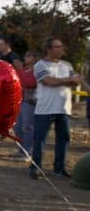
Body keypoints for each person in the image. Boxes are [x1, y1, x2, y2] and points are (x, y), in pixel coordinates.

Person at [30, 37, 83, 179]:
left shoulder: (67, 65)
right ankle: (35, 167)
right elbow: (49, 81)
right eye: (57, 47)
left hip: (64, 109)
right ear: (48, 49)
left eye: (61, 46)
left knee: (63, 139)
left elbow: (76, 81)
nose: (61, 49)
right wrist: (68, 80)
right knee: (40, 139)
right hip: (45, 109)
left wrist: (67, 80)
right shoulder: (40, 65)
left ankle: (59, 168)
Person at [13, 50, 38, 156]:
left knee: (27, 127)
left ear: (34, 58)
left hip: (30, 101)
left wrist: (19, 70)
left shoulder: (36, 70)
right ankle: (21, 149)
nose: (25, 58)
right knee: (17, 127)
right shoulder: (23, 70)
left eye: (28, 56)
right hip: (20, 100)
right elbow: (17, 81)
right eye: (25, 55)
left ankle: (27, 151)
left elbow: (30, 83)